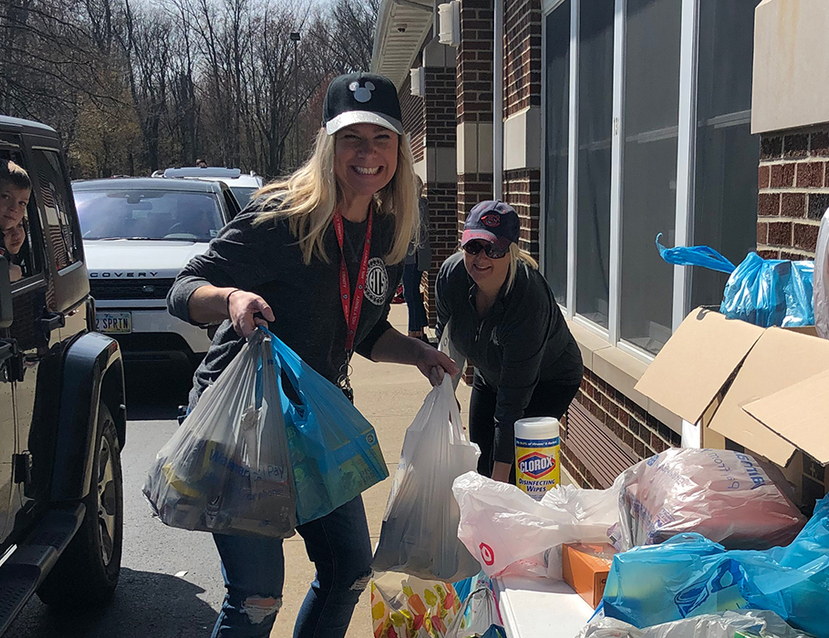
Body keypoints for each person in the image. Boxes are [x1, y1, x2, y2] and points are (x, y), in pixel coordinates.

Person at [166, 72, 457, 638]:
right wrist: (231, 298)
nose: (368, 154)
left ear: (399, 149)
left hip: (315, 423)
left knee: (349, 570)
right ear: (328, 144)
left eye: (381, 139)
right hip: (242, 429)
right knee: (257, 597)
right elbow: (183, 289)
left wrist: (417, 352)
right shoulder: (282, 216)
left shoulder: (387, 227)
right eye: (352, 139)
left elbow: (363, 331)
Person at [435, 201, 584, 482]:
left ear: (511, 252)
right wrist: (447, 396)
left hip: (548, 381)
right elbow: (445, 347)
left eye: (493, 249)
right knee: (481, 462)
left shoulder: (528, 300)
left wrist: (499, 487)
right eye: (473, 247)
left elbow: (512, 404)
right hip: (490, 373)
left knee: (517, 474)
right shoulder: (451, 278)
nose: (481, 258)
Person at [402, 176, 431, 343]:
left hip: (412, 257)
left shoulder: (415, 206)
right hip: (415, 256)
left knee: (410, 293)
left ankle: (414, 332)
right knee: (413, 293)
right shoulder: (421, 204)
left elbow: (413, 232)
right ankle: (419, 330)